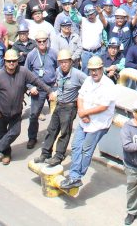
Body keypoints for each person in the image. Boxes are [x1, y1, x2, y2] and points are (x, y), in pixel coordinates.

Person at [58, 56, 117, 190]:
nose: (94, 73)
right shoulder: (88, 81)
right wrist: (81, 111)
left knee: (86, 150)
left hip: (99, 124)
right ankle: (73, 176)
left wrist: (86, 113)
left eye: (96, 70)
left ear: (102, 69)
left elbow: (103, 106)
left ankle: (77, 176)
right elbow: (81, 97)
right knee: (76, 145)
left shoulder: (108, 85)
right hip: (85, 121)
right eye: (92, 70)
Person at [0, 48, 54, 165]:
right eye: (9, 61)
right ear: (5, 61)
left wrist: (49, 91)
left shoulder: (23, 72)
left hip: (16, 112)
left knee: (15, 132)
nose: (11, 63)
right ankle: (6, 154)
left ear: (17, 61)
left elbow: (37, 81)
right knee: (2, 135)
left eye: (14, 61)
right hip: (0, 112)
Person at [38, 48, 86, 165]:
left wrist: (81, 100)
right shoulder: (58, 71)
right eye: (61, 62)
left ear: (71, 62)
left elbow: (89, 86)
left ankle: (59, 155)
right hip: (59, 104)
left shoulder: (78, 74)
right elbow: (57, 85)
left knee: (64, 132)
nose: (63, 65)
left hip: (70, 107)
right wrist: (55, 93)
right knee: (51, 129)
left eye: (66, 62)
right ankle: (45, 153)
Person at [23, 28, 58, 149]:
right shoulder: (31, 55)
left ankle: (54, 137)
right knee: (34, 115)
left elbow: (59, 68)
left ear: (47, 41)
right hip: (38, 89)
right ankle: (32, 137)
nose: (42, 43)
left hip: (52, 87)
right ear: (36, 42)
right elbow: (25, 73)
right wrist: (30, 87)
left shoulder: (53, 53)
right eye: (39, 41)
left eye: (44, 41)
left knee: (56, 114)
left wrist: (57, 83)